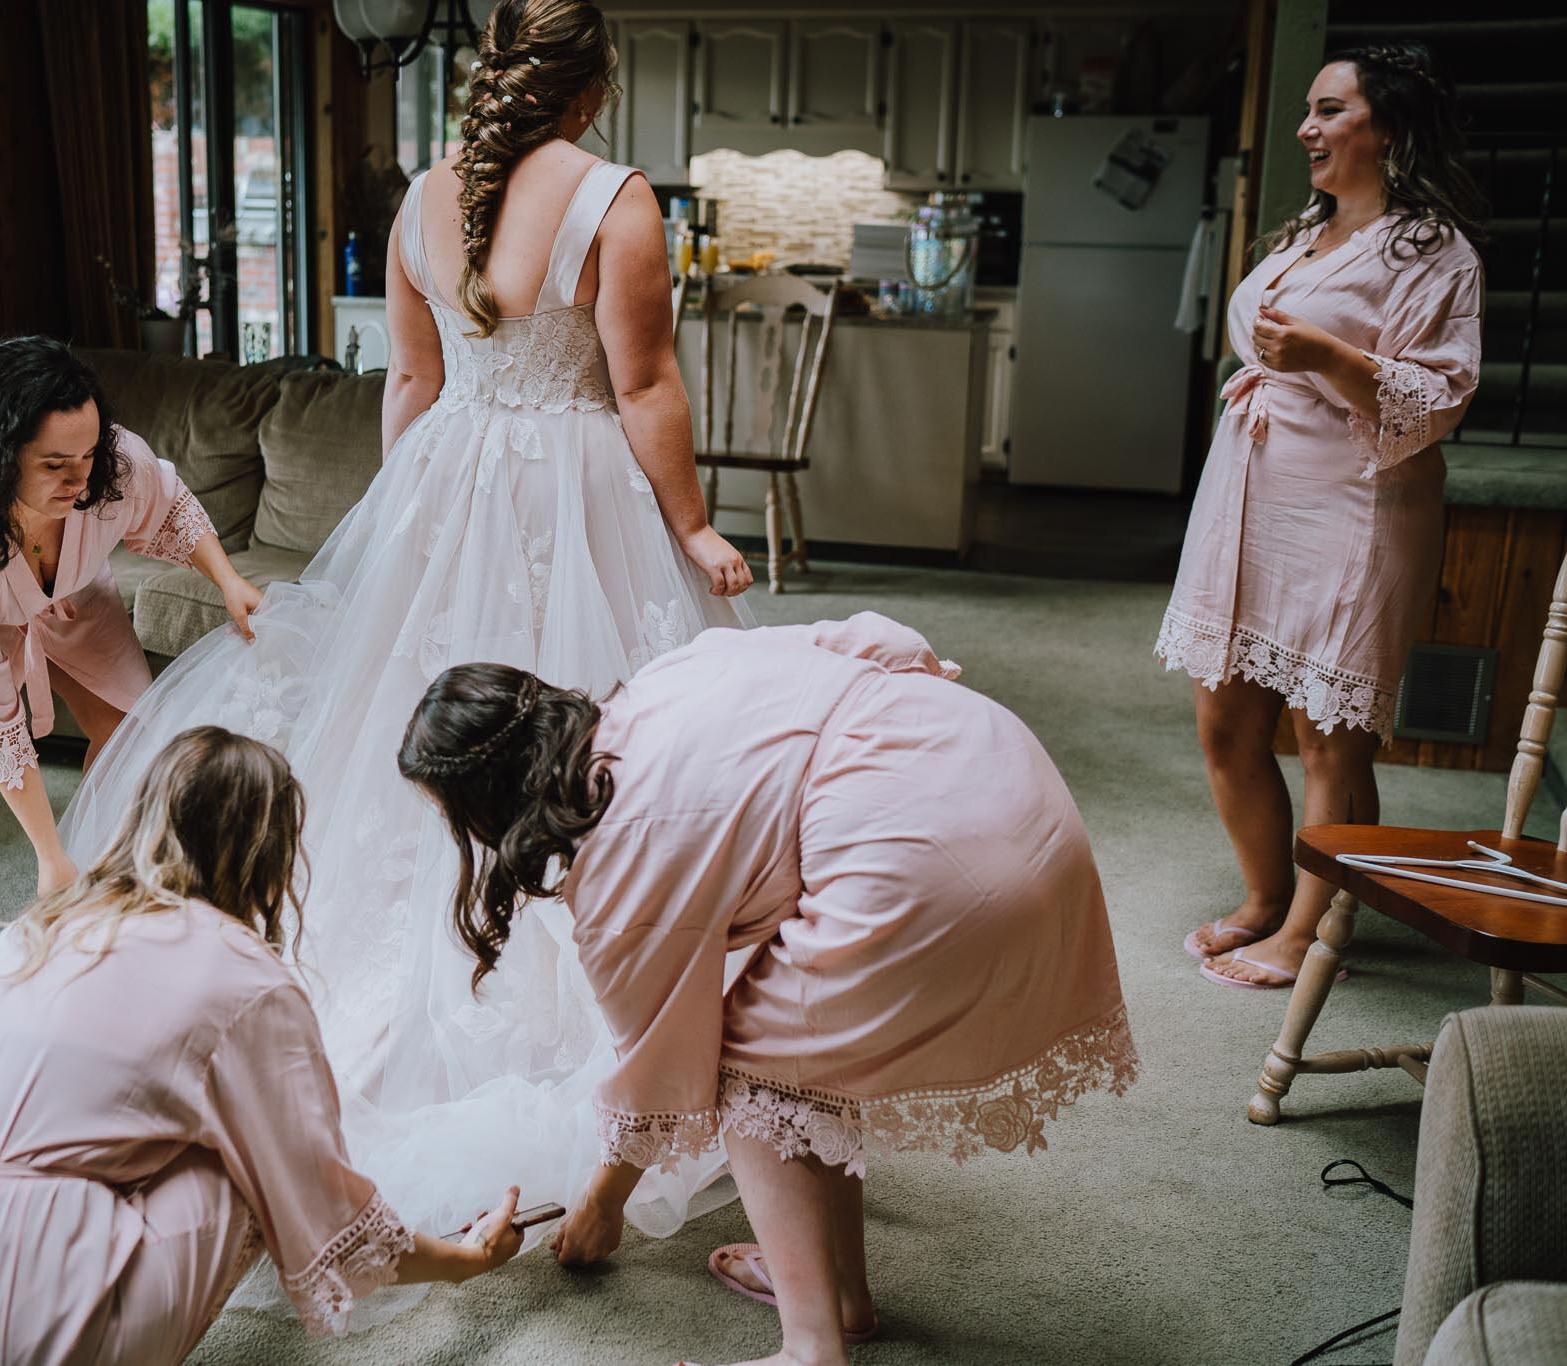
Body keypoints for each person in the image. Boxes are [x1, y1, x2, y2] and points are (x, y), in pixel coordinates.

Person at [61, 0, 752, 1235]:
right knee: (600, 742)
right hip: (573, 483)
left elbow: (416, 383)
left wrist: (404, 523)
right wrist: (693, 527)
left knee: (412, 729)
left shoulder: (420, 197)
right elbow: (641, 381)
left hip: (446, 477)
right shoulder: (617, 197)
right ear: (589, 88)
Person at [399, 614, 1139, 1366]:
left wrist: (603, 1202)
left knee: (745, 1068)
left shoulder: (614, 872)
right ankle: (840, 1297)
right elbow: (880, 640)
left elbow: (661, 1073)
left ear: (486, 812)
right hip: (988, 759)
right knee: (800, 1042)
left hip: (927, 860)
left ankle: (810, 1349)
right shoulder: (676, 672)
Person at [0, 727, 523, 1365]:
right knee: (248, 1163)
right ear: (269, 852)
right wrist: (464, 1258)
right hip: (9, 1329)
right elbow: (327, 1211)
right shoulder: (242, 975)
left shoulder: (35, 931)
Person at [1155, 42, 1485, 987]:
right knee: (1224, 723)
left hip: (1358, 503)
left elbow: (1438, 398)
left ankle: (1309, 930)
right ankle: (1264, 896)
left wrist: (1327, 357)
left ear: (1387, 129)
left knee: (1329, 735)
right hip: (1254, 495)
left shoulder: (1434, 253)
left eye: (1331, 110)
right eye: (1309, 109)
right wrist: (1286, 357)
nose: (1307, 126)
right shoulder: (1304, 234)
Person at [0, 337, 262, 994]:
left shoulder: (105, 466)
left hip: (58, 581)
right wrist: (43, 855)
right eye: (56, 464)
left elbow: (170, 502)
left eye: (90, 455)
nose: (82, 480)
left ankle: (89, 868)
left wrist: (229, 581)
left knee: (131, 724)